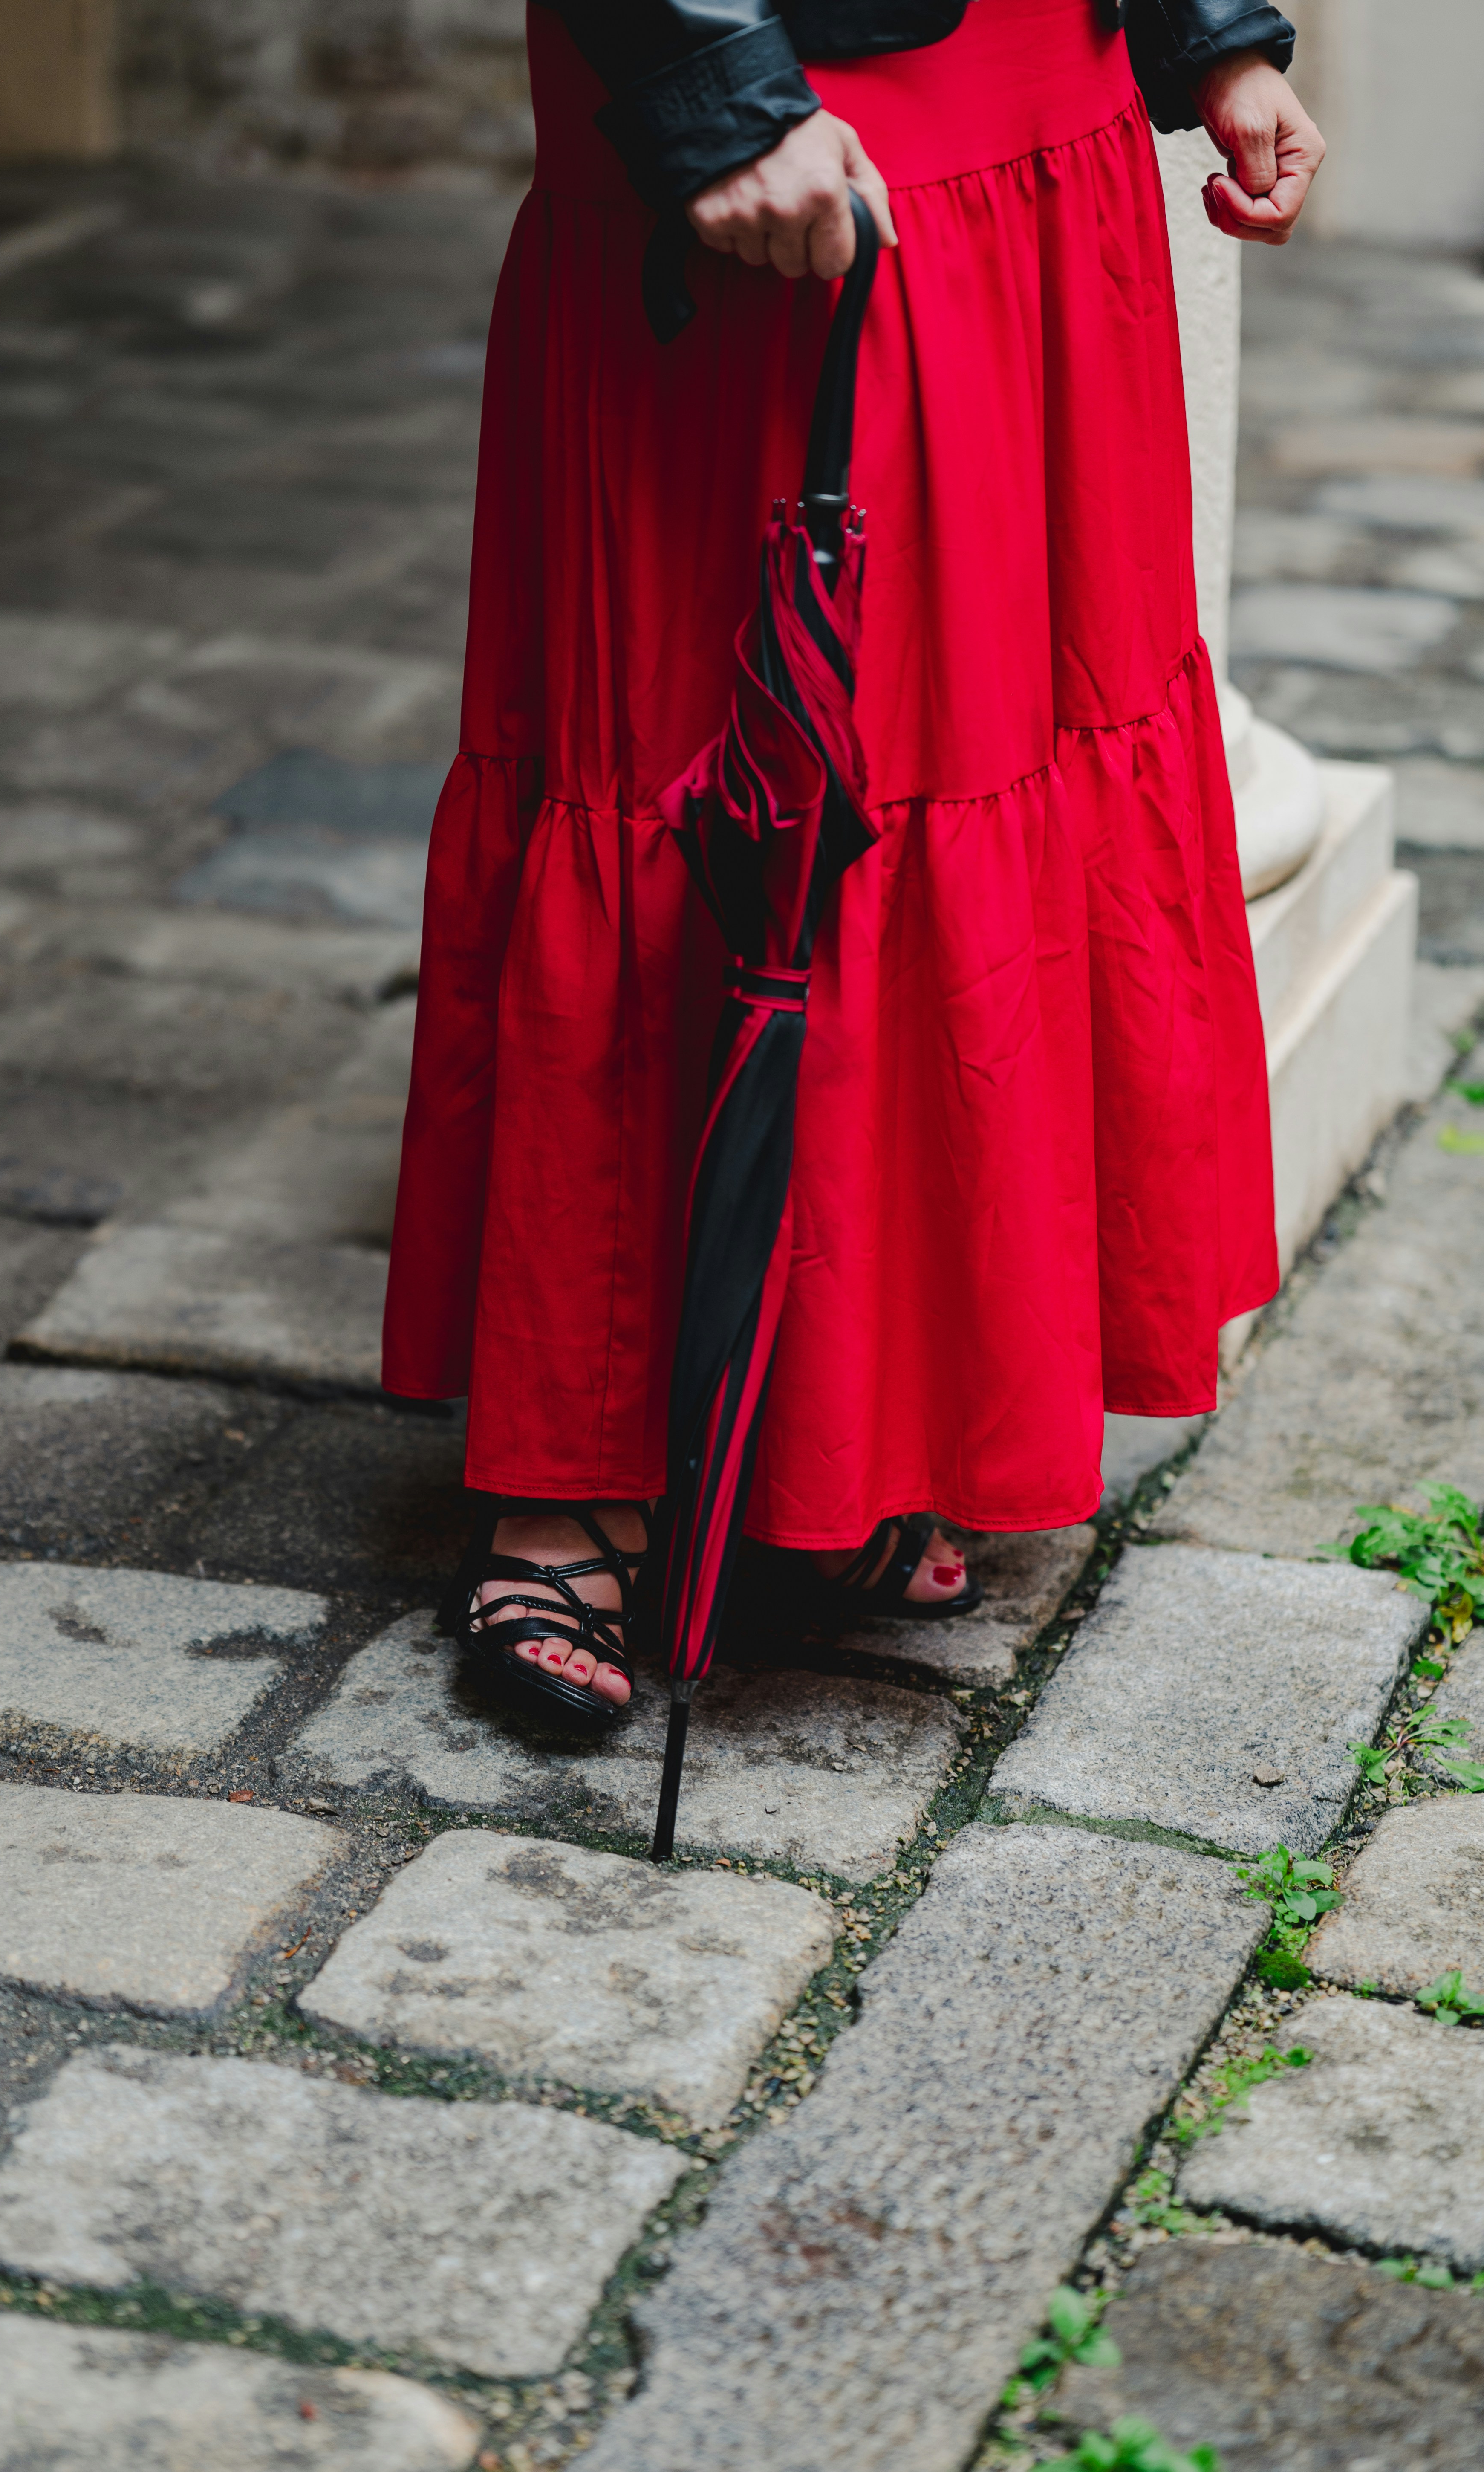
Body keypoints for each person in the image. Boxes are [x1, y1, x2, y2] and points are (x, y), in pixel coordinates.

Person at [383, 0, 1325, 1723]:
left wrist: (1211, 39)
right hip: (783, 100)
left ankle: (854, 1418)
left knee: (963, 750)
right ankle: (579, 1471)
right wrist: (709, 89)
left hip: (1040, 120)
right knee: (689, 754)